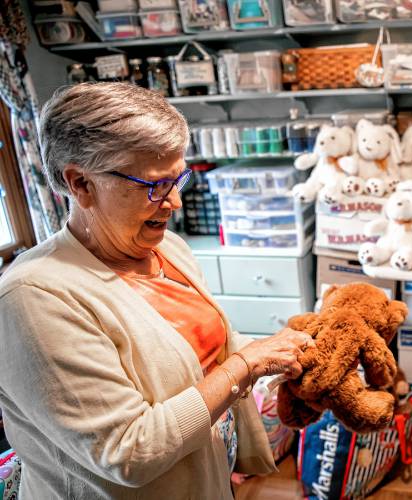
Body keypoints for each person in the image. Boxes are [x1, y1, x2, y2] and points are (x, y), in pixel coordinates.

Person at [0, 82, 312, 499]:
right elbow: (129, 451)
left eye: (177, 179)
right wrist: (246, 366)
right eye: (154, 185)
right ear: (80, 184)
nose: (174, 202)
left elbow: (208, 347)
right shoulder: (33, 297)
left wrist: (278, 357)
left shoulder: (169, 249)